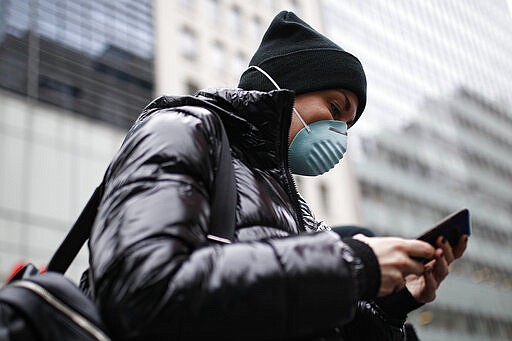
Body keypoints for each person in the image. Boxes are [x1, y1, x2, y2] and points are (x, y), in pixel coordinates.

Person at [84, 11, 467, 340]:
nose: (339, 133)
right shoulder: (182, 129)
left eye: (347, 125)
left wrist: (392, 306)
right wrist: (353, 264)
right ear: (286, 86)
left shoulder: (286, 200)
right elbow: (140, 293)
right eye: (335, 107)